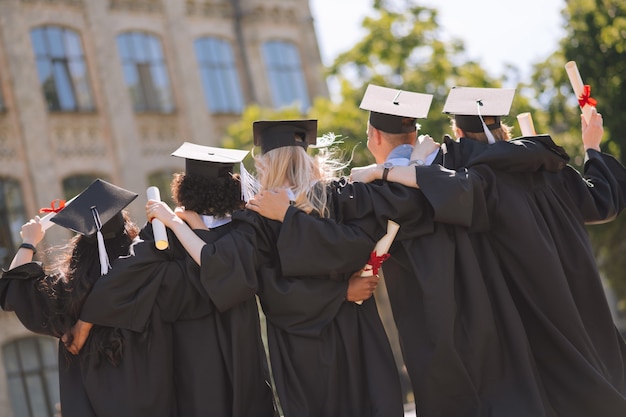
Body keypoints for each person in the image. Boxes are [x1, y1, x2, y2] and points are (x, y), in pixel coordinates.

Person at [251, 86, 579, 416]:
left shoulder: (351, 195)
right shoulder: (456, 174)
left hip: (403, 326)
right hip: (495, 305)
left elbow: (346, 250)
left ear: (373, 136)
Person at [351, 86, 626, 416]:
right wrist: (592, 147)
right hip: (574, 302)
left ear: (458, 132)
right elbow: (603, 202)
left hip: (525, 312)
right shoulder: (550, 169)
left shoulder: (482, 180)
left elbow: (446, 190)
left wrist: (382, 170)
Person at [146, 120, 407, 417]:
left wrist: (288, 216)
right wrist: (339, 292)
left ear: (267, 162)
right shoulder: (258, 216)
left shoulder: (338, 195)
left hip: (335, 332)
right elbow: (268, 289)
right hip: (313, 334)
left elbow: (356, 247)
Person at [67, 143, 277, 417]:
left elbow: (127, 272)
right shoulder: (245, 228)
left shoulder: (167, 230)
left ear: (185, 188)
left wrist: (85, 322)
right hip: (234, 334)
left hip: (196, 344)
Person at [0, 179, 179, 417]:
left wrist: (28, 241)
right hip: (159, 400)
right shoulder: (151, 273)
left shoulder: (67, 290)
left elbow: (15, 286)